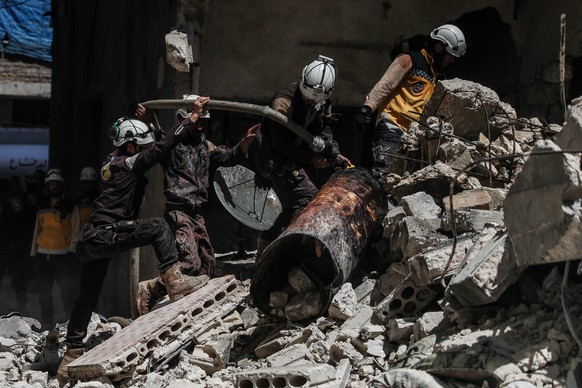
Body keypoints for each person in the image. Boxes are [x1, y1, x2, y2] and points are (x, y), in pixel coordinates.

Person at [56, 99, 212, 385]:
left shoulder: (112, 163)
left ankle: (70, 355)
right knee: (158, 227)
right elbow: (163, 148)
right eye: (142, 146)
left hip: (91, 240)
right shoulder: (128, 163)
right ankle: (174, 280)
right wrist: (191, 119)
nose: (146, 151)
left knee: (87, 297)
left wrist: (152, 120)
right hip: (107, 233)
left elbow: (156, 146)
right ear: (130, 147)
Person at [134, 94, 258, 315]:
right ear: (185, 119)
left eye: (205, 123)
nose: (201, 127)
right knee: (189, 262)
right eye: (198, 122)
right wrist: (153, 119)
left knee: (206, 264)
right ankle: (152, 288)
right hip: (178, 210)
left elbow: (228, 157)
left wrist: (245, 142)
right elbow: (162, 138)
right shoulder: (171, 144)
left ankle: (169, 293)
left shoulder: (205, 146)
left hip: (197, 211)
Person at [252, 54, 351, 258]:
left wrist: (334, 155)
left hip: (298, 155)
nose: (309, 101)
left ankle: (267, 246)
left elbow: (325, 131)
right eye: (306, 98)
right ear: (303, 80)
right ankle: (287, 251)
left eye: (314, 100)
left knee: (294, 204)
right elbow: (279, 143)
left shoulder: (324, 101)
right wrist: (311, 158)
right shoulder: (283, 103)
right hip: (275, 158)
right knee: (306, 198)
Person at [354, 24, 467, 180]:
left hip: (412, 137)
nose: (452, 60)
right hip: (391, 128)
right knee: (383, 177)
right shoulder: (410, 59)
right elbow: (386, 83)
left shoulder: (436, 76)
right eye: (450, 55)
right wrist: (367, 108)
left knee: (399, 184)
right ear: (440, 47)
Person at [29, 168, 80, 329]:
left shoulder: (70, 205)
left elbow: (76, 228)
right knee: (44, 292)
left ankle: (69, 323)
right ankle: (46, 323)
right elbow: (37, 229)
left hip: (63, 256)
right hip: (43, 254)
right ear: (47, 185)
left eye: (56, 184)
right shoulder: (42, 204)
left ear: (60, 185)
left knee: (66, 291)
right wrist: (33, 251)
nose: (53, 186)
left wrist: (73, 251)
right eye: (51, 184)